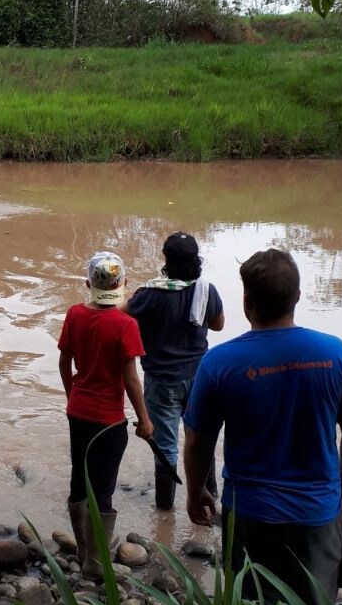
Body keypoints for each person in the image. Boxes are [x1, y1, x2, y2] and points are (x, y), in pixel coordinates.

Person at [182, 248, 342, 605]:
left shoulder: (220, 363)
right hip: (318, 512)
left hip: (251, 516)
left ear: (246, 300)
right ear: (298, 297)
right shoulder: (336, 354)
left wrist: (195, 490)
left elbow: (198, 440)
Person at [58, 251, 153, 576]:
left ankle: (84, 551)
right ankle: (96, 565)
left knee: (78, 479)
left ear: (88, 284)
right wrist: (145, 420)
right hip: (109, 421)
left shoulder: (74, 315)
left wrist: (74, 397)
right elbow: (130, 379)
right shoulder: (126, 325)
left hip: (78, 412)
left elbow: (64, 362)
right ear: (123, 285)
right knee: (103, 488)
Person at [121, 232, 224, 510]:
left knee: (166, 445)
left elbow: (119, 315)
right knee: (200, 437)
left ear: (166, 259)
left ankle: (165, 510)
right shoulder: (206, 289)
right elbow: (218, 325)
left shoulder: (151, 293)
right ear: (196, 259)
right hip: (200, 377)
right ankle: (209, 497)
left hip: (162, 380)